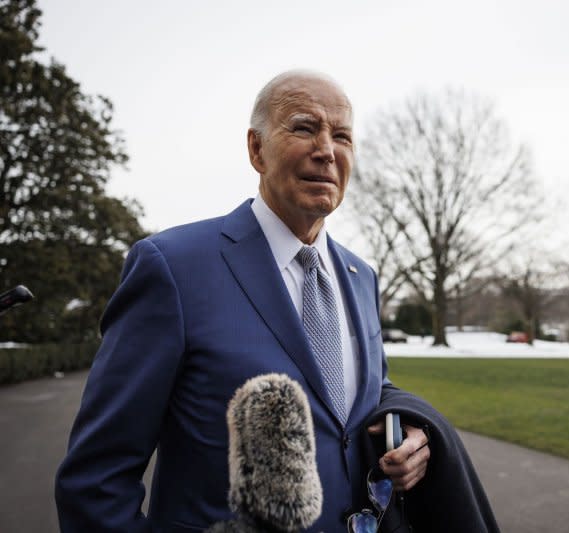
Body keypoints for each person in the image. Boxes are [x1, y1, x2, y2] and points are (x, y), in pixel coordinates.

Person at [55, 70, 431, 532]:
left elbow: (357, 399)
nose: (326, 150)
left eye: (342, 136)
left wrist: (408, 427)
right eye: (304, 127)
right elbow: (96, 478)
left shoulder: (361, 276)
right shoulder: (172, 267)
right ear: (256, 149)